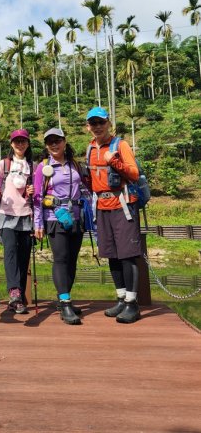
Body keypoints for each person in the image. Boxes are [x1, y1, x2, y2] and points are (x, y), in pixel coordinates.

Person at [85, 107, 141, 324]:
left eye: (101, 122)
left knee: (128, 254)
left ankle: (132, 303)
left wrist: (113, 161)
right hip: (101, 206)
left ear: (108, 123)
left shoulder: (121, 145)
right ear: (87, 127)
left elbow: (134, 174)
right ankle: (121, 298)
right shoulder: (90, 148)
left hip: (123, 204)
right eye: (93, 123)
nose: (97, 127)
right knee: (112, 254)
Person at [33, 128, 85, 325]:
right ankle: (64, 303)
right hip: (55, 217)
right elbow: (37, 197)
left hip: (76, 216)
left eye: (58, 141)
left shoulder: (74, 165)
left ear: (65, 142)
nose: (54, 145)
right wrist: (38, 224)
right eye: (50, 142)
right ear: (46, 145)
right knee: (61, 258)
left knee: (72, 259)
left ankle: (65, 298)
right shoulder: (43, 167)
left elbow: (84, 189)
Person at [0, 129, 34, 314]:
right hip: (6, 215)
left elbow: (39, 191)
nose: (20, 144)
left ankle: (18, 298)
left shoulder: (34, 165)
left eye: (23, 141)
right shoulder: (4, 164)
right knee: (10, 252)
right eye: (17, 141)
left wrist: (34, 192)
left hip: (26, 215)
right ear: (11, 144)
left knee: (24, 257)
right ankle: (14, 292)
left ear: (28, 143)